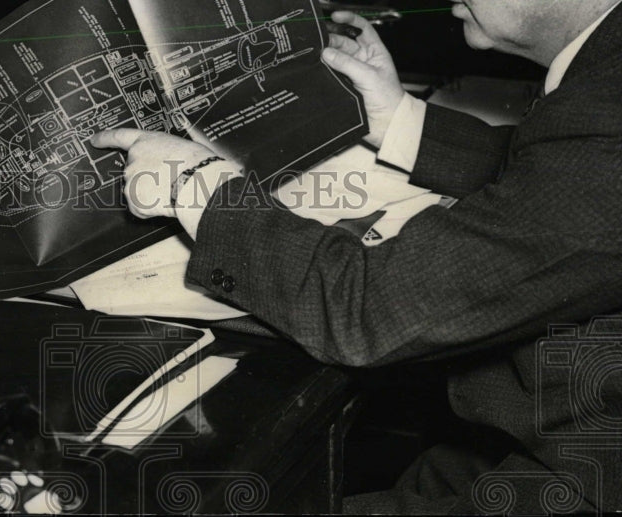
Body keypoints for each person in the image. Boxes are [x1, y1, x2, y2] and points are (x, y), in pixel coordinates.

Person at [92, 1, 622, 514]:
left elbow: (369, 309)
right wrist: (398, 120)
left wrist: (197, 188)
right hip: (553, 430)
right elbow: (558, 175)